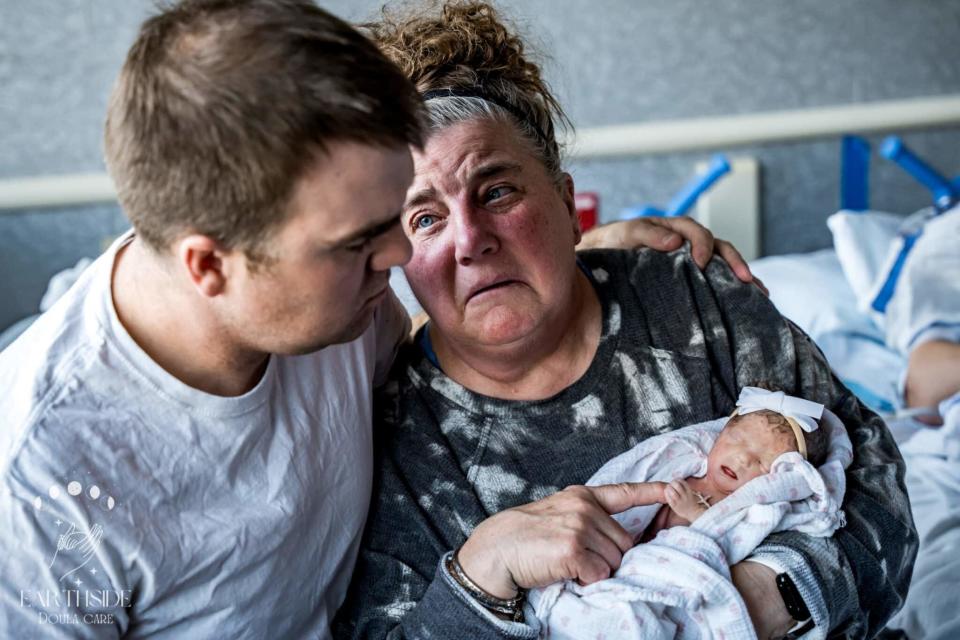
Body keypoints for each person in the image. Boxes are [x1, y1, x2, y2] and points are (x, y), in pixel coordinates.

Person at [0, 1, 741, 637]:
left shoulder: (337, 310)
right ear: (209, 267)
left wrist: (567, 249)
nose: (399, 258)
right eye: (361, 242)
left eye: (395, 218)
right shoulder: (38, 494)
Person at [333, 2, 917, 639]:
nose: (470, 240)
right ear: (396, 254)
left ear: (565, 202)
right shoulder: (395, 431)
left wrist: (740, 606)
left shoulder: (695, 300)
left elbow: (878, 496)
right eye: (426, 218)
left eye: (497, 190)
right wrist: (482, 575)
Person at [526, 387, 849, 639]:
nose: (741, 459)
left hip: (666, 575)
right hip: (614, 563)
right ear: (719, 434)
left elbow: (724, 536)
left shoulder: (744, 506)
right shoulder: (678, 467)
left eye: (763, 463)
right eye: (737, 440)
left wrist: (697, 513)